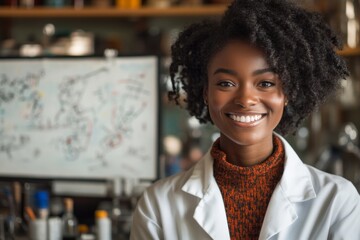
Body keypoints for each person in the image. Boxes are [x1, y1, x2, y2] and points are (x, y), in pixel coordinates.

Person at [130, 0, 360, 239]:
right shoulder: (157, 205)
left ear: (288, 93)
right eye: (226, 83)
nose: (246, 99)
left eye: (266, 83)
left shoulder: (337, 201)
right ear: (205, 92)